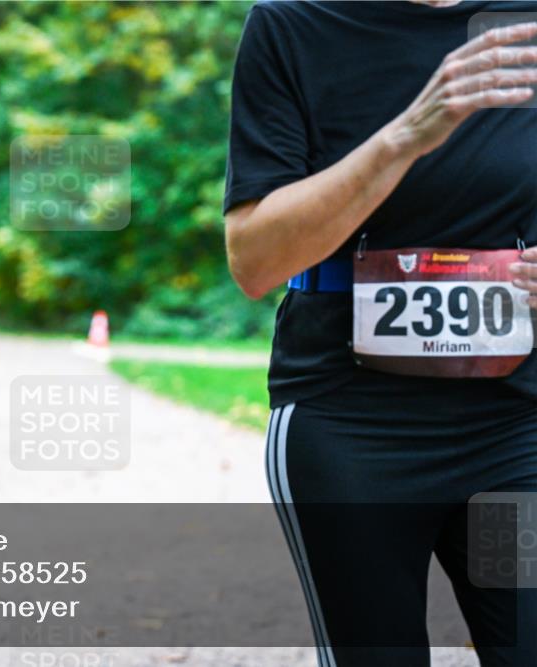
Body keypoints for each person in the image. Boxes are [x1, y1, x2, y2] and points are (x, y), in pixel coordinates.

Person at [224, 2, 536, 666]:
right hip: (351, 426)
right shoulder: (291, 24)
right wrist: (407, 135)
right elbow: (254, 261)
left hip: (519, 424)